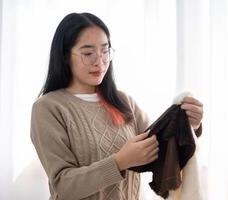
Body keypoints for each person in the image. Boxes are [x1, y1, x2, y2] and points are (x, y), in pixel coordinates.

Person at [30, 12, 203, 200]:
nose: (100, 61)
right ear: (64, 56)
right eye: (88, 53)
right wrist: (120, 162)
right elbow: (63, 185)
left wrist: (189, 125)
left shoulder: (123, 101)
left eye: (105, 51)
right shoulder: (48, 108)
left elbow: (161, 149)